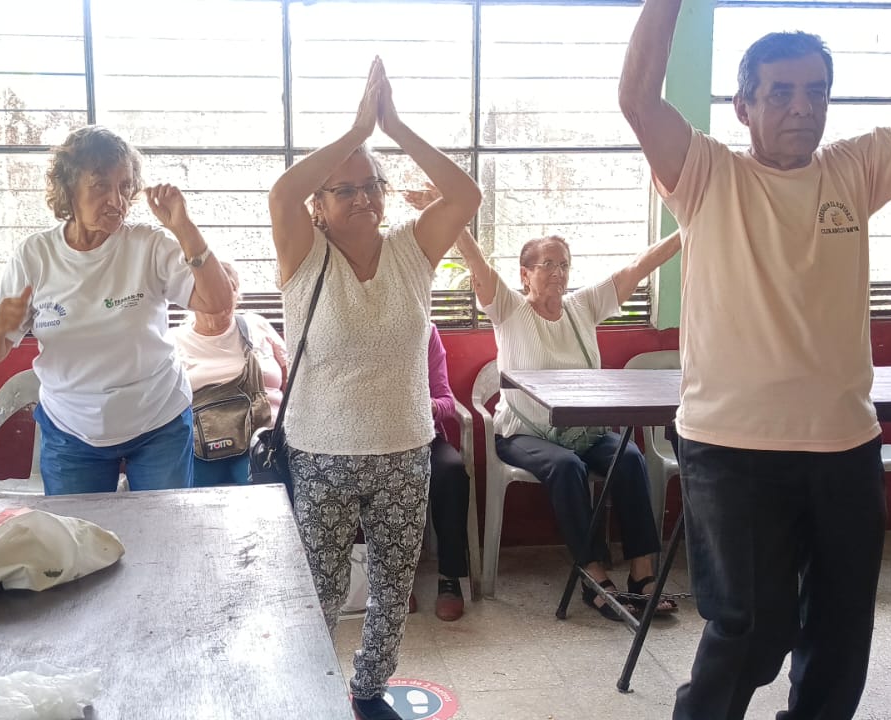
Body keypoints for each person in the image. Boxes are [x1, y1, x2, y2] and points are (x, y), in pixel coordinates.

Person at [617, 0, 891, 714]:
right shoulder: (707, 173)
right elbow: (638, 98)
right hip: (731, 448)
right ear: (743, 106)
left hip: (843, 445)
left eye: (816, 91)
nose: (802, 107)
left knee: (839, 638)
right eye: (781, 92)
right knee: (750, 633)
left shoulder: (853, 169)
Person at [267, 57, 480, 720]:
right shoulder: (303, 253)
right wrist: (357, 129)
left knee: (392, 586)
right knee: (321, 589)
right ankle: (305, 692)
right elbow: (280, 193)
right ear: (319, 205)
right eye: (344, 189)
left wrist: (395, 127)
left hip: (404, 450)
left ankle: (367, 690)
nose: (362, 198)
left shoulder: (412, 250)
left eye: (370, 186)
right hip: (320, 453)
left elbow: (465, 195)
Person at [404, 184, 682, 620]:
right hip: (523, 433)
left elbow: (638, 266)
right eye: (547, 264)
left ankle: (642, 575)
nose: (557, 272)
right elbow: (476, 263)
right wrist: (449, 210)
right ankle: (593, 576)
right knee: (566, 467)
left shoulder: (584, 307)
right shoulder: (510, 310)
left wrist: (688, 226)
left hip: (584, 432)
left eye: (563, 264)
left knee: (629, 458)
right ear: (524, 274)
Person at [0, 126, 233, 494]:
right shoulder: (35, 256)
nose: (116, 200)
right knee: (80, 530)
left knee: (164, 526)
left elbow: (218, 303)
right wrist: (0, 327)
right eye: (100, 186)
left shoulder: (148, 245)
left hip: (159, 422)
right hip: (72, 432)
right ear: (68, 189)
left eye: (125, 187)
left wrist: (184, 227)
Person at [170, 261, 290, 488]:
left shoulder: (257, 325)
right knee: (195, 494)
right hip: (201, 446)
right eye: (208, 290)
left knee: (262, 484)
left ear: (237, 294)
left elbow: (289, 378)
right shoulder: (174, 341)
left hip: (263, 440)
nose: (220, 298)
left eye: (229, 288)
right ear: (191, 298)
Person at [420, 322, 471, 622]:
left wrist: (428, 407)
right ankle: (391, 579)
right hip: (378, 441)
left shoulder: (427, 332)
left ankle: (449, 577)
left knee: (452, 471)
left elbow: (447, 401)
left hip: (424, 436)